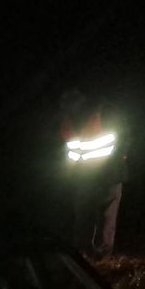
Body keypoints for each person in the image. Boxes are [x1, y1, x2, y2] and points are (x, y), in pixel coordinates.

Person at [59, 89, 128, 259]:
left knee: (91, 221)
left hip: (103, 177)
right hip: (98, 178)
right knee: (98, 221)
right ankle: (92, 260)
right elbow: (72, 152)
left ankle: (92, 260)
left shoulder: (101, 114)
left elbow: (122, 142)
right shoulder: (102, 112)